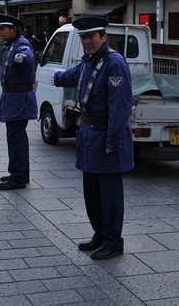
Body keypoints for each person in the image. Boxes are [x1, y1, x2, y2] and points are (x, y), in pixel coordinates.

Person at [52, 15, 134, 260]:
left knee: (109, 196)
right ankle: (99, 233)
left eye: (91, 37)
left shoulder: (114, 63)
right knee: (92, 193)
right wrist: (50, 75)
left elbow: (120, 108)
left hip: (106, 135)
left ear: (103, 37)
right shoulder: (89, 61)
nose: (87, 41)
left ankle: (113, 241)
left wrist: (113, 143)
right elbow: (70, 76)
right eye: (83, 37)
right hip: (89, 136)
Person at [0, 14, 38, 190]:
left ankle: (18, 177)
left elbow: (26, 54)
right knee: (16, 137)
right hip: (12, 98)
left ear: (14, 29)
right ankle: (19, 173)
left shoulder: (21, 44)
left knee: (16, 138)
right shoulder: (9, 44)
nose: (0, 32)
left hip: (19, 99)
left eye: (4, 29)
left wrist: (21, 57)